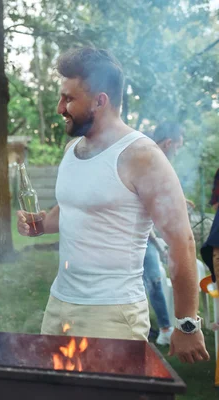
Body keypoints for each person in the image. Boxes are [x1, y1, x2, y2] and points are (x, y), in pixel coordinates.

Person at [16, 47, 208, 364]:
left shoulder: (142, 156)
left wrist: (186, 324)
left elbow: (181, 240)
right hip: (59, 303)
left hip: (112, 314)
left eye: (68, 99)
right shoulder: (72, 148)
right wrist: (40, 223)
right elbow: (68, 209)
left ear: (100, 101)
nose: (59, 107)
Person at [143, 122, 186, 345]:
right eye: (177, 147)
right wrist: (160, 246)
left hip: (143, 237)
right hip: (136, 240)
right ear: (168, 143)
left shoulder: (147, 159)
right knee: (153, 280)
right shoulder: (150, 163)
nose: (177, 152)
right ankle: (165, 329)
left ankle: (156, 328)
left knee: (151, 281)